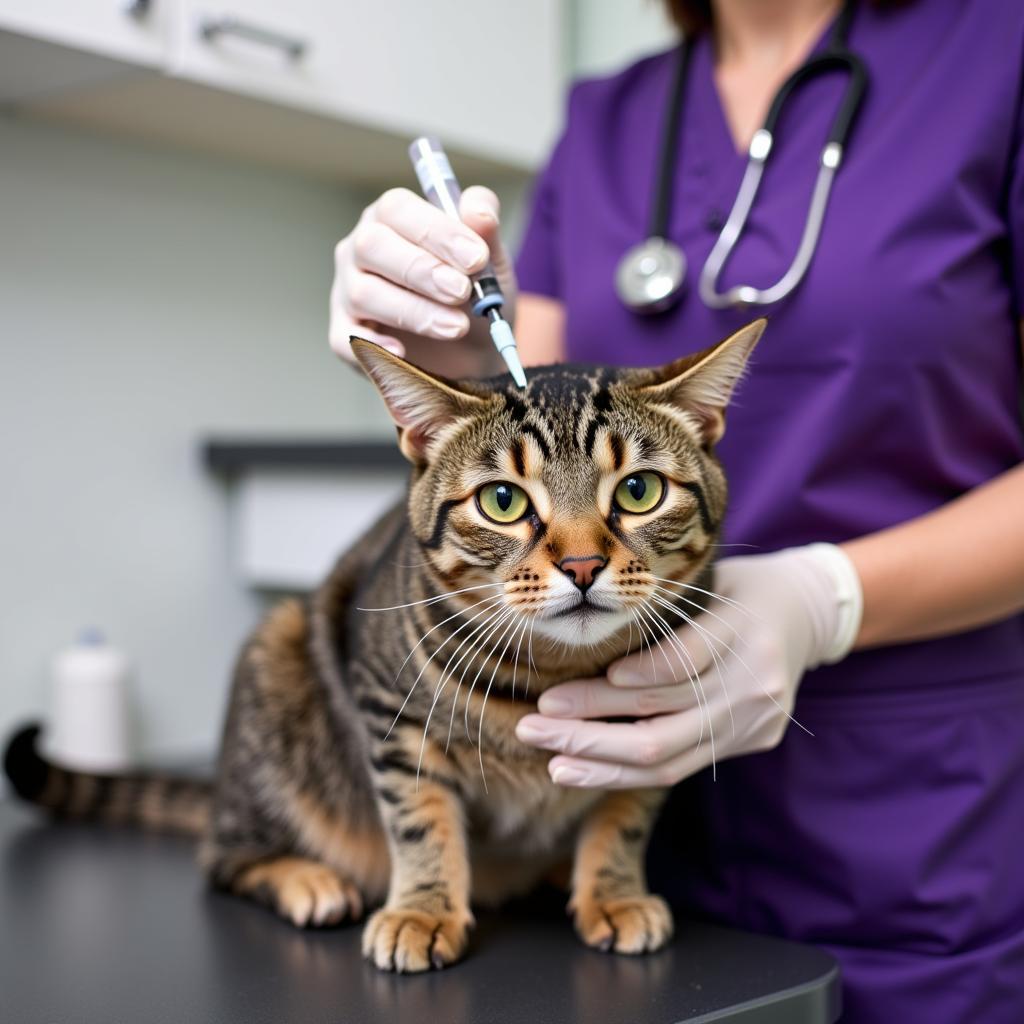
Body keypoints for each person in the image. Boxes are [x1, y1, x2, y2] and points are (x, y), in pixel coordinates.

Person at [328, 1, 1024, 1019]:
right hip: (611, 831)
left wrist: (824, 598)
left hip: (910, 822)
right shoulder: (606, 118)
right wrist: (449, 365)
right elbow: (539, 402)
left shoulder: (997, 50)